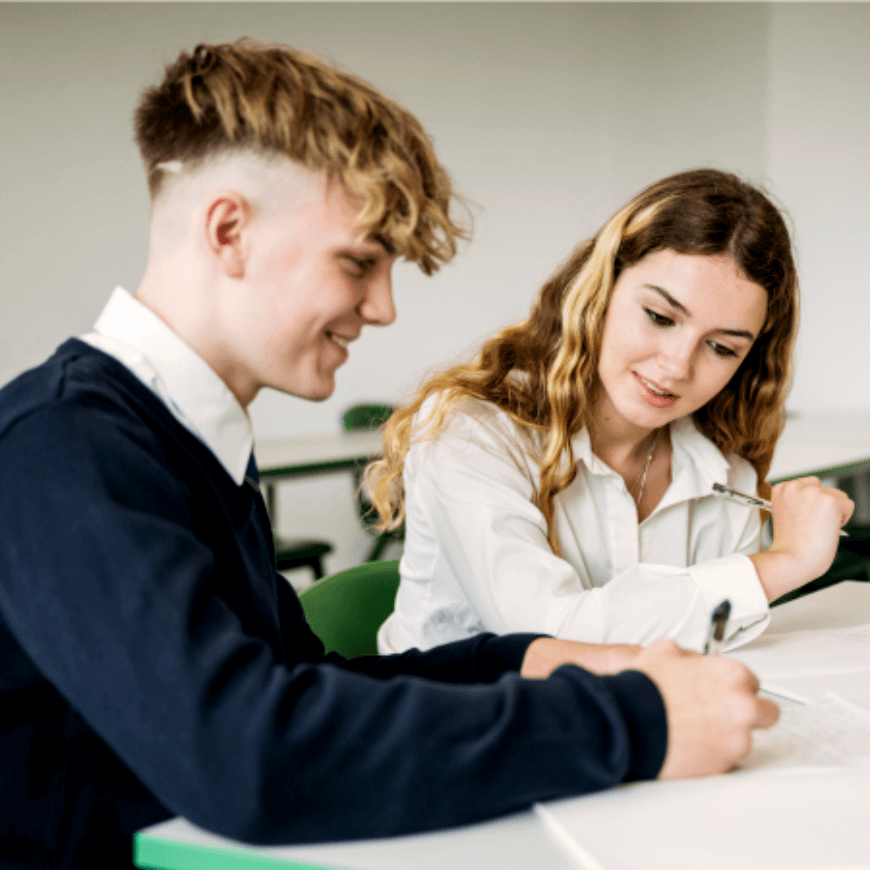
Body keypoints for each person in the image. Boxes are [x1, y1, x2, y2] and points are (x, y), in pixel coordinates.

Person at [0, 41, 779, 870]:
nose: (384, 307)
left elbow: (300, 683)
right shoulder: (63, 445)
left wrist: (523, 659)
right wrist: (639, 724)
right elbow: (253, 756)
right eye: (360, 263)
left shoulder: (186, 437)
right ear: (229, 231)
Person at [369, 169, 855, 657]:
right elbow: (545, 637)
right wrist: (784, 562)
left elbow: (705, 654)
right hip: (454, 721)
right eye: (660, 318)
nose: (677, 366)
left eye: (722, 348)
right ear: (599, 289)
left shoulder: (726, 477)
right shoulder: (473, 431)